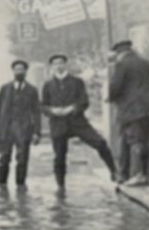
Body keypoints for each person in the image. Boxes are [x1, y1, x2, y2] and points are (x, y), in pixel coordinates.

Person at [40, 53, 117, 189]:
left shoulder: (77, 82)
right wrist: (53, 111)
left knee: (100, 143)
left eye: (61, 62)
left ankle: (114, 171)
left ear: (66, 64)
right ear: (52, 66)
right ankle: (60, 185)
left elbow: (84, 101)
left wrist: (72, 109)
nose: (59, 66)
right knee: (59, 156)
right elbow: (43, 106)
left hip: (77, 122)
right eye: (55, 63)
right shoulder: (48, 85)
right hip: (58, 124)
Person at [108, 39, 149, 187]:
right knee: (144, 141)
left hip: (133, 109)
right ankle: (142, 174)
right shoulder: (145, 62)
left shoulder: (121, 64)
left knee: (134, 141)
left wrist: (110, 97)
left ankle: (136, 175)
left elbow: (115, 87)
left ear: (119, 53)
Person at [0, 59, 42, 187]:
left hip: (24, 129)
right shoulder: (5, 88)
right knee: (4, 158)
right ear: (13, 71)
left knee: (22, 159)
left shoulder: (32, 90)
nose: (19, 72)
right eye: (16, 69)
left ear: (25, 72)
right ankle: (2, 187)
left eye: (21, 70)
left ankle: (20, 186)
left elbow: (37, 113)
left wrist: (36, 132)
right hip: (5, 128)